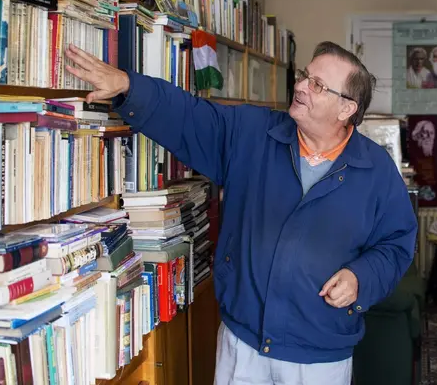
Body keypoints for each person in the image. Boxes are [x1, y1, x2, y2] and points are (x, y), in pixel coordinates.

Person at [64, 41, 418, 384]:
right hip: (242, 345)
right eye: (304, 75)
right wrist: (128, 86)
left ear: (346, 109)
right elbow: (189, 117)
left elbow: (396, 244)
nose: (301, 87)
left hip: (319, 353)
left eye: (318, 85)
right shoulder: (251, 133)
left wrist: (360, 278)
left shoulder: (377, 170)